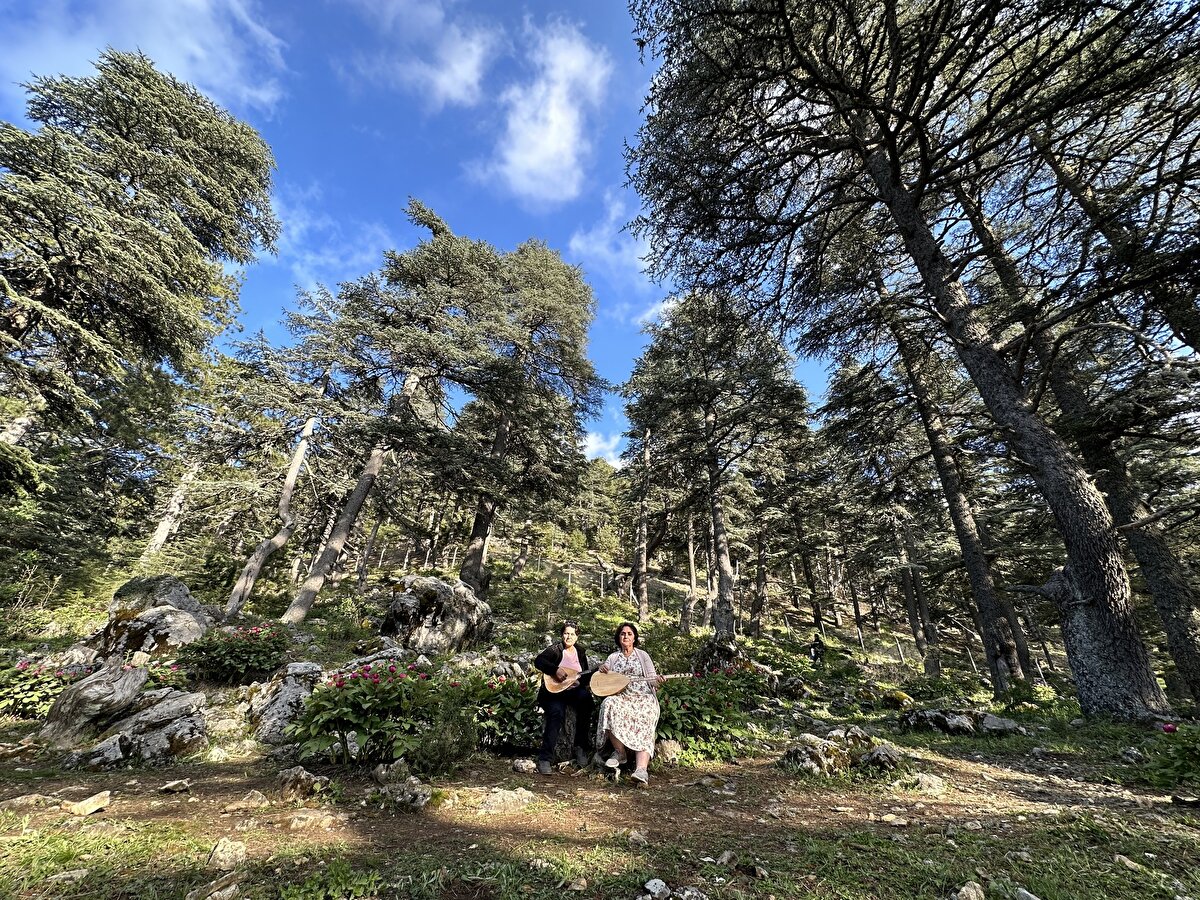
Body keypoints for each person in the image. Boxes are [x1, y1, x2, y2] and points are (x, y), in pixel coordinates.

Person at [595, 621, 665, 787]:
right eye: (622, 634)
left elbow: (652, 679)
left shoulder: (643, 655)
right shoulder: (613, 657)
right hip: (621, 696)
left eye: (629, 634)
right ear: (618, 638)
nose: (626, 636)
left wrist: (658, 681)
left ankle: (641, 770)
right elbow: (603, 679)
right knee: (608, 703)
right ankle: (620, 752)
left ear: (634, 638)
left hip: (643, 697)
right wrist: (602, 669)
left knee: (646, 713)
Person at [533, 622, 595, 775]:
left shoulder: (580, 652)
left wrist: (580, 682)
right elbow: (539, 661)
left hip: (572, 691)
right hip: (552, 692)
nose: (569, 637)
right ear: (562, 635)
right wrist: (555, 670)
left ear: (577, 636)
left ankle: (580, 747)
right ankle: (545, 758)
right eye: (566, 633)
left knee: (587, 702)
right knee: (556, 713)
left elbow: (584, 675)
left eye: (572, 634)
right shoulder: (555, 649)